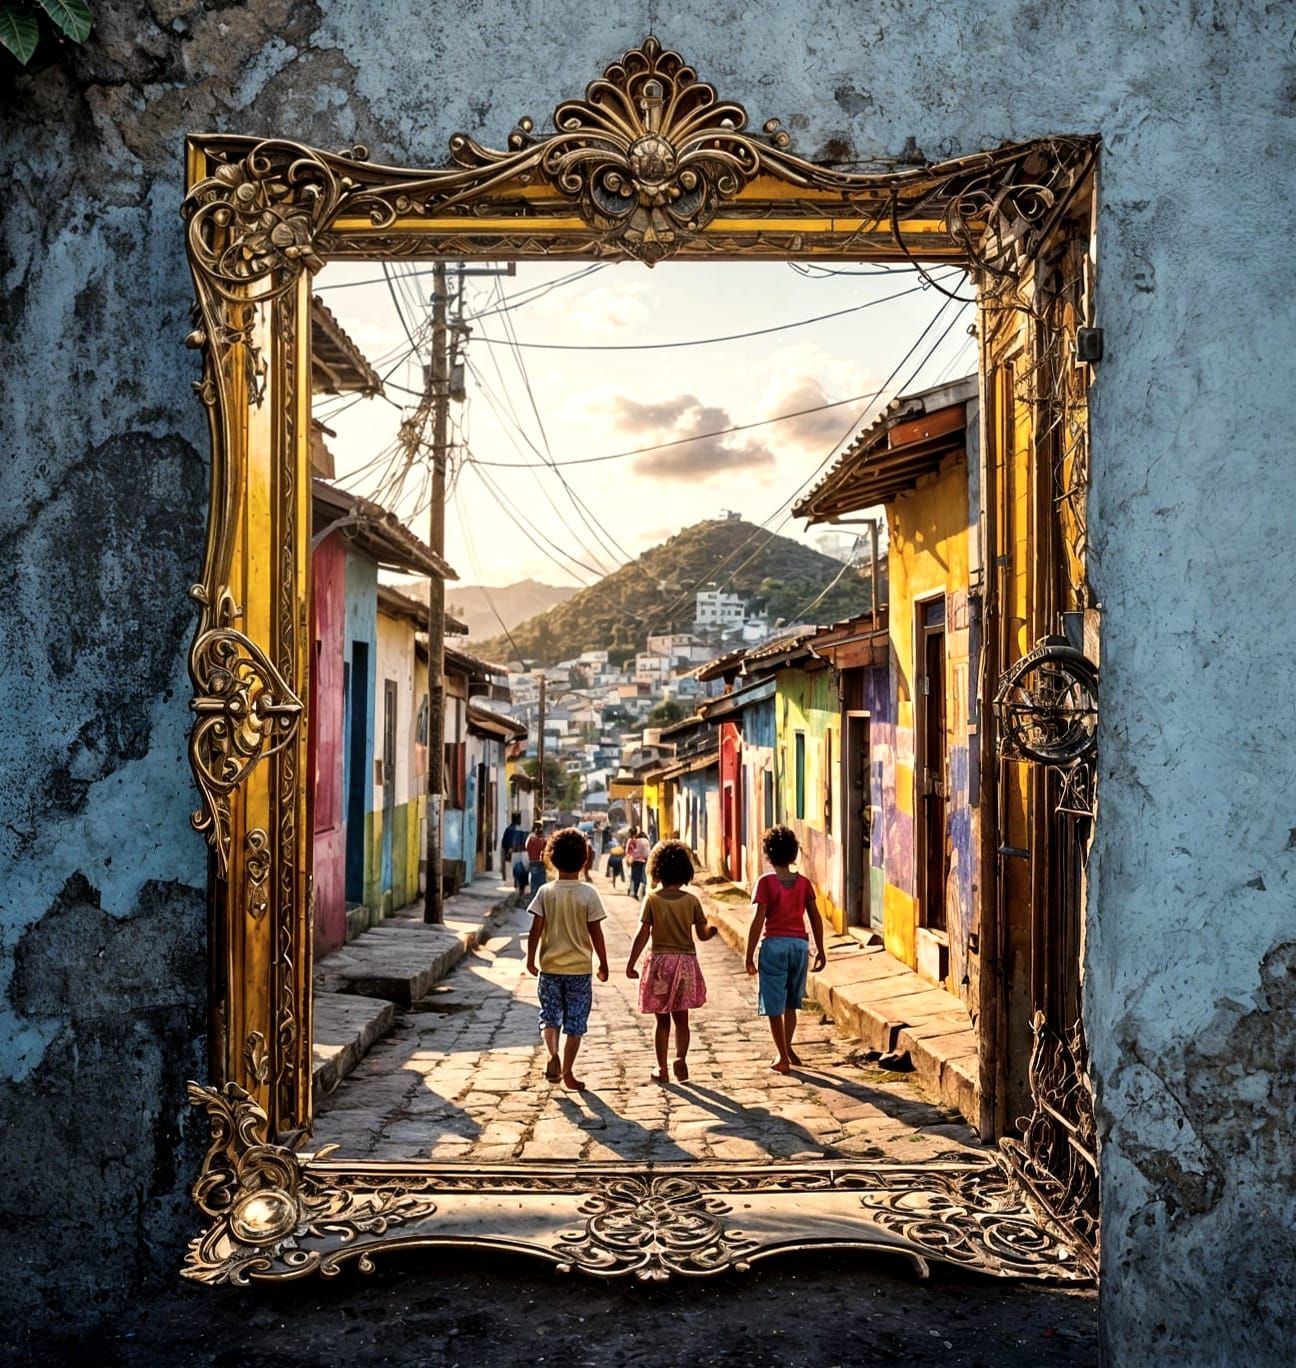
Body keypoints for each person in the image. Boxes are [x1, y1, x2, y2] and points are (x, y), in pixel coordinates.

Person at [625, 840, 717, 1083]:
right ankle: (681, 1059)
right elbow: (702, 934)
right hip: (685, 963)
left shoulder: (652, 900)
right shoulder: (691, 901)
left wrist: (631, 963)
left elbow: (642, 934)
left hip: (659, 966)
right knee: (682, 1018)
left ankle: (661, 1067)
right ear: (686, 871)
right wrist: (713, 929)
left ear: (656, 870)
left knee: (661, 1020)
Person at [526, 827, 610, 1091]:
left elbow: (535, 930)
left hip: (550, 969)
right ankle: (568, 1072)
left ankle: (552, 1052)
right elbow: (596, 933)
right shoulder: (589, 894)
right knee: (575, 1023)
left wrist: (531, 958)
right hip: (580, 971)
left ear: (550, 858)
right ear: (585, 860)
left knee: (549, 1017)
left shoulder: (545, 892)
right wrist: (603, 964)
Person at [745, 825, 827, 1074]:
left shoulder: (766, 882)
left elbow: (758, 919)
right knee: (792, 1002)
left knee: (773, 1005)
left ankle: (782, 1055)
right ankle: (788, 1047)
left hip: (774, 946)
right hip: (799, 947)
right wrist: (820, 949)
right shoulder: (803, 883)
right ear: (794, 853)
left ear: (768, 854)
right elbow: (815, 917)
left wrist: (749, 955)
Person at [502, 811, 527, 895]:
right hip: (521, 853)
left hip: (513, 852)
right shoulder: (523, 829)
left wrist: (507, 851)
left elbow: (504, 842)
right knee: (522, 869)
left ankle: (517, 884)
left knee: (516, 868)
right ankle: (520, 886)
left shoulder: (509, 829)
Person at [626, 827, 651, 899]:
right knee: (643, 878)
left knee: (634, 877)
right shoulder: (646, 841)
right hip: (644, 861)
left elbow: (631, 852)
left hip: (635, 861)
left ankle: (633, 893)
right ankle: (643, 893)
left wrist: (630, 859)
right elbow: (647, 852)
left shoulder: (634, 841)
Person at [525, 822, 547, 898]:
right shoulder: (542, 841)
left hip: (533, 863)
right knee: (542, 886)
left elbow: (527, 848)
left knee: (534, 887)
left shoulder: (530, 839)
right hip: (540, 864)